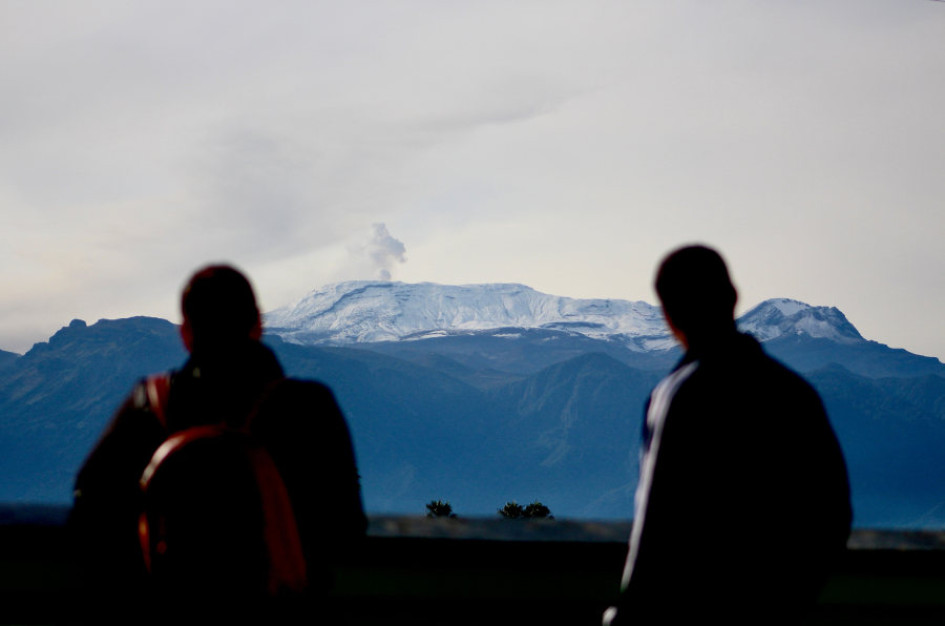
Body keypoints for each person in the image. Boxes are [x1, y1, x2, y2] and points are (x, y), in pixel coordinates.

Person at [70, 265, 367, 621]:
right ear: (258, 324)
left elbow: (91, 505)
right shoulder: (309, 406)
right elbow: (346, 525)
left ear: (186, 333)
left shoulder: (150, 404)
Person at [603, 245, 851, 625]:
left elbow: (656, 522)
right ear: (733, 298)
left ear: (668, 315)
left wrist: (628, 611)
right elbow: (833, 512)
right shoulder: (793, 392)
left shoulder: (677, 396)